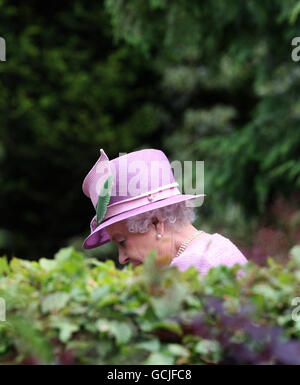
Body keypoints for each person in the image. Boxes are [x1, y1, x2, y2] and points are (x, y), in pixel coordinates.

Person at [82, 148, 247, 276]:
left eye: (122, 241)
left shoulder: (189, 267)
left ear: (156, 223)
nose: (121, 258)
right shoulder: (217, 244)